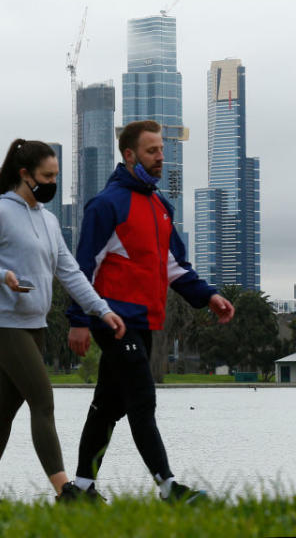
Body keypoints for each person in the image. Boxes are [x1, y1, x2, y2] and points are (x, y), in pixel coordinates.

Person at [67, 120, 235, 503]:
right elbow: (81, 269)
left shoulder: (161, 205)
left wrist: (208, 295)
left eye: (161, 150)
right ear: (129, 156)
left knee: (107, 406)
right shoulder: (106, 205)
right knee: (142, 400)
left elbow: (173, 266)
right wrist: (78, 321)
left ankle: (80, 490)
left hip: (144, 320)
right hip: (112, 320)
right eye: (152, 151)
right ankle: (168, 487)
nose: (161, 157)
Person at [0, 139, 126, 503]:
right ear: (25, 175)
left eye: (56, 177)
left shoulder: (49, 221)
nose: (52, 183)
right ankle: (66, 490)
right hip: (4, 325)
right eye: (46, 176)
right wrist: (1, 276)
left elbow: (70, 272)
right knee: (43, 399)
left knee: (3, 412)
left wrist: (103, 309)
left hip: (36, 325)